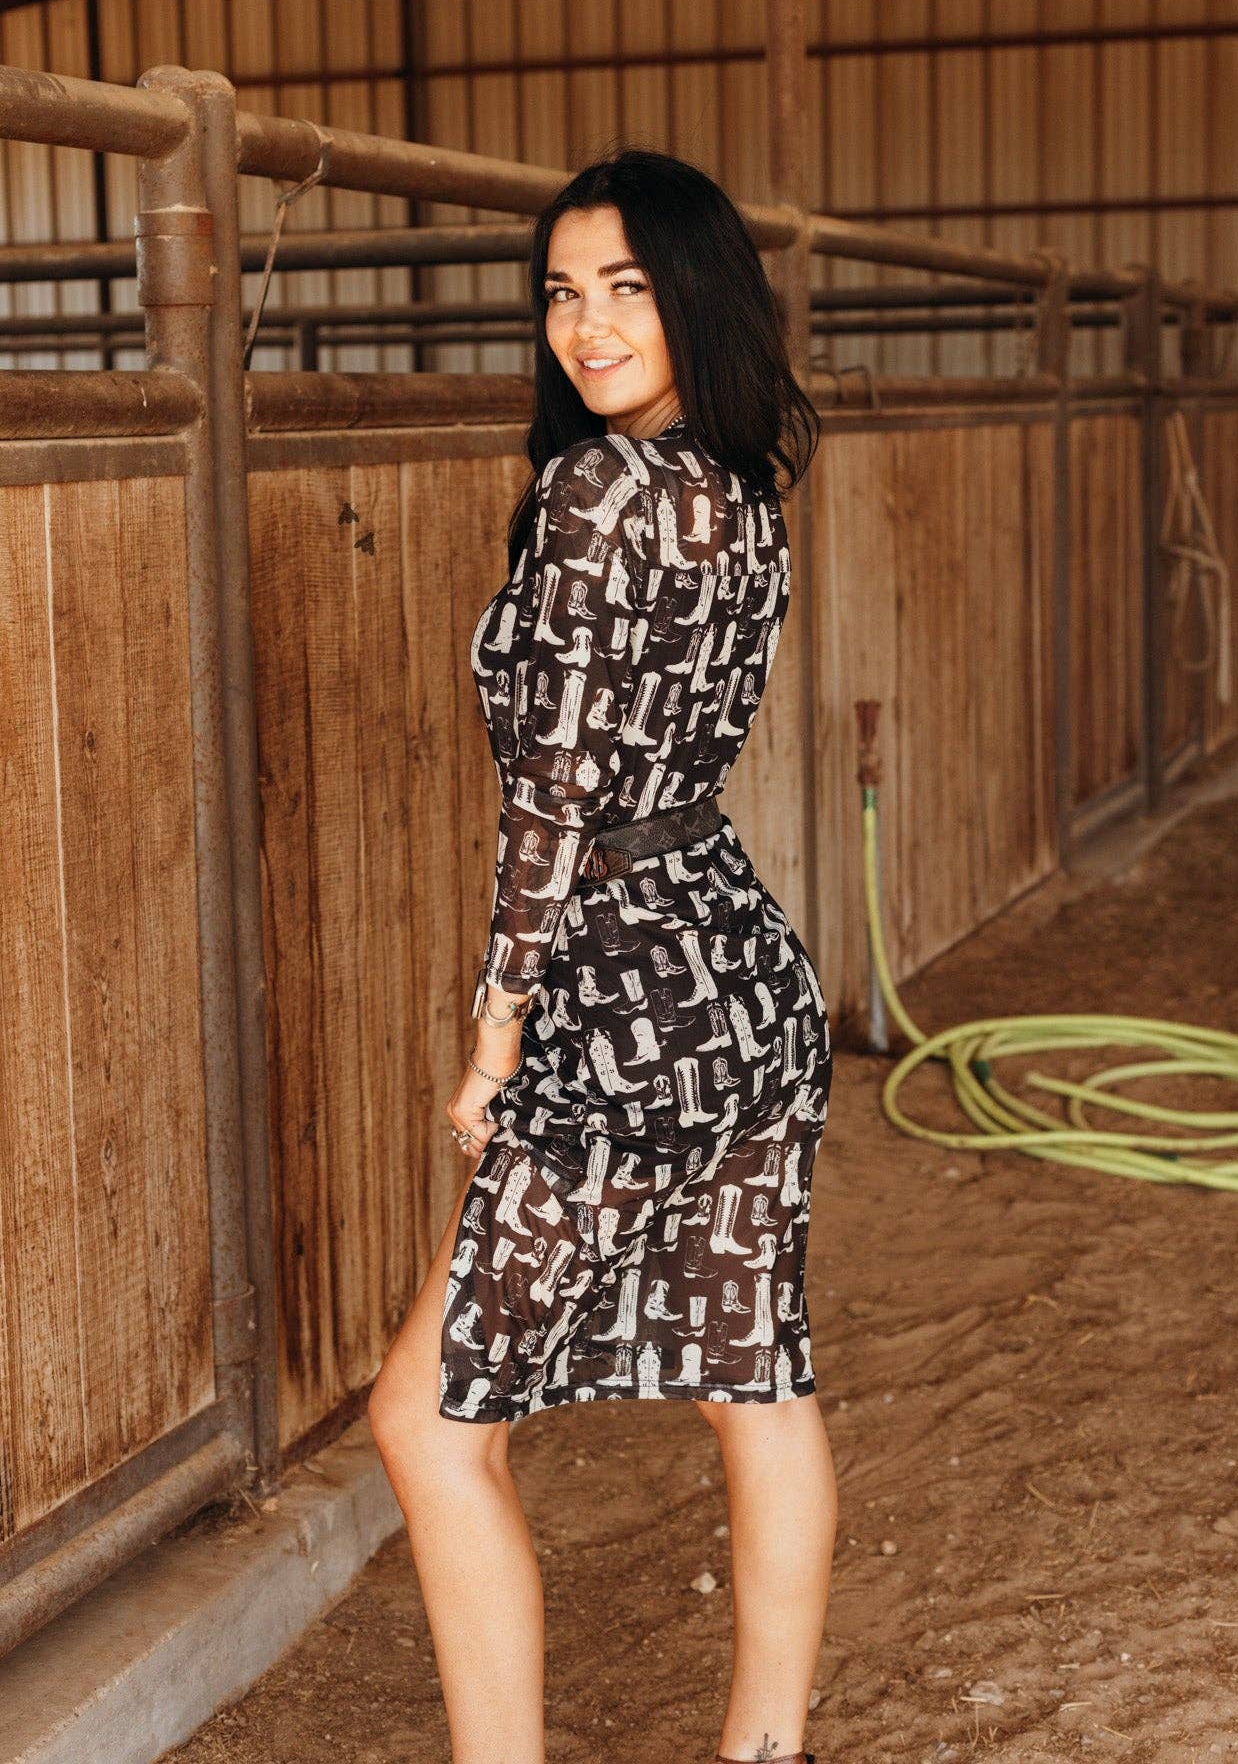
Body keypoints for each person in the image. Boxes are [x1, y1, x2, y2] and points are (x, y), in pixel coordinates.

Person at [369, 147, 836, 1764]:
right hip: (744, 982)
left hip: (622, 1004)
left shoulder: (598, 494)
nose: (586, 326)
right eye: (562, 293)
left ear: (695, 293)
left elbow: (554, 799)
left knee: (426, 1424)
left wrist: (496, 1031)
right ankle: (764, 1751)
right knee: (753, 1381)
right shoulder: (741, 493)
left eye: (626, 287)